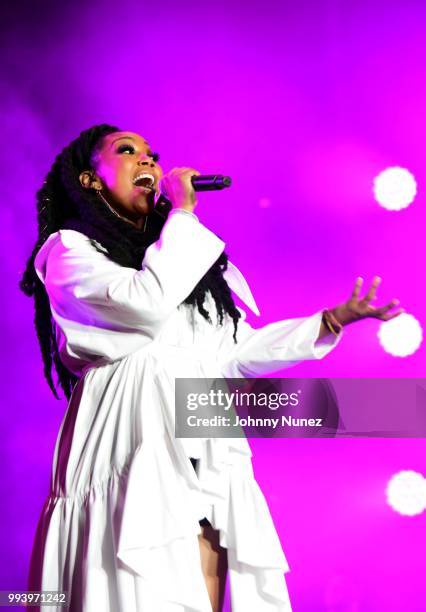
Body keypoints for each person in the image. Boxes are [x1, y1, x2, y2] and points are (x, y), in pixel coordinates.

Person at [19, 124, 404, 612]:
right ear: (91, 180)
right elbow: (144, 304)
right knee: (132, 569)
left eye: (152, 155)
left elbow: (232, 353)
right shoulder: (71, 252)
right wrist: (181, 214)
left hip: (202, 424)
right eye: (127, 151)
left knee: (209, 561)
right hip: (133, 429)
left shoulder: (187, 265)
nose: (148, 162)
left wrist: (327, 322)